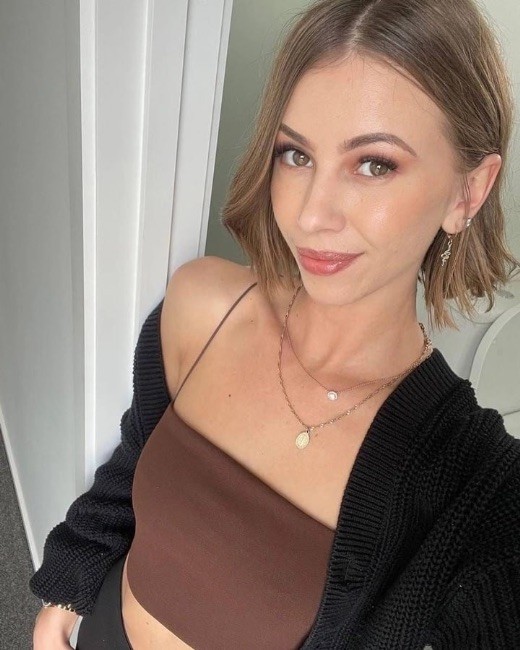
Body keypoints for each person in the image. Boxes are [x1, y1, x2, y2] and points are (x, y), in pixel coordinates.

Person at [31, 0, 520, 647]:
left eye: (374, 164)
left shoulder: (473, 484)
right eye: (295, 154)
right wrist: (68, 584)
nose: (312, 214)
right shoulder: (203, 308)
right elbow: (137, 458)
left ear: (468, 192)